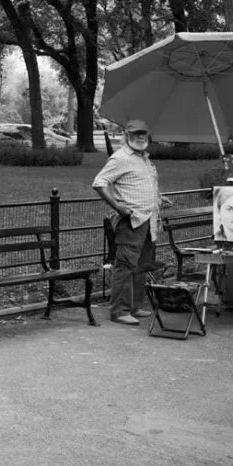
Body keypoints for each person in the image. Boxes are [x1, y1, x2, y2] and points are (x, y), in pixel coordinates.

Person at [93, 119, 172, 325]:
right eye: (135, 134)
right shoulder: (120, 158)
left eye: (143, 134)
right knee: (125, 266)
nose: (140, 137)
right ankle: (119, 311)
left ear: (148, 136)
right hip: (131, 222)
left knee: (141, 266)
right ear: (126, 136)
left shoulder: (145, 159)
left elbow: (143, 185)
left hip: (149, 220)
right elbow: (100, 183)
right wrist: (118, 208)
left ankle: (135, 307)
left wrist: (159, 198)